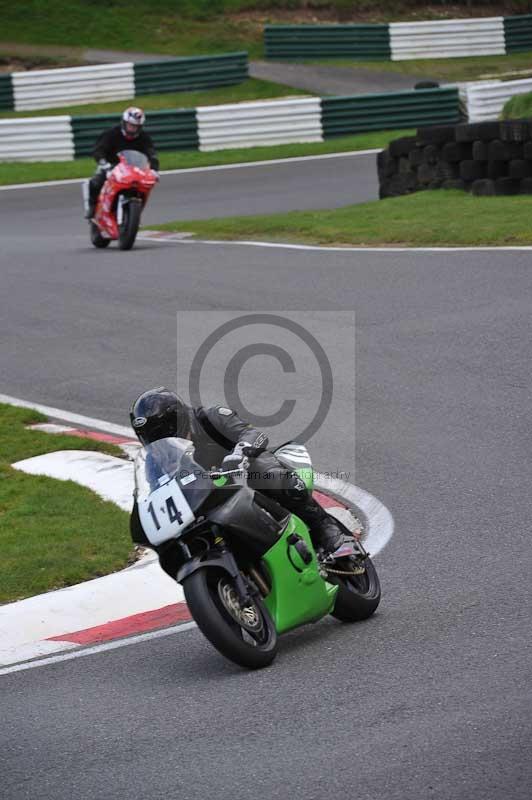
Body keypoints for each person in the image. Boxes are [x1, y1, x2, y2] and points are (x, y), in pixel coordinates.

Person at [129, 388, 345, 569]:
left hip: (245, 473)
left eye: (161, 431)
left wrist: (240, 452)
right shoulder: (155, 460)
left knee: (268, 475)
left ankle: (324, 527)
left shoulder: (210, 418)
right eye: (149, 435)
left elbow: (253, 434)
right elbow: (158, 492)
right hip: (211, 499)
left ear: (178, 419)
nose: (157, 439)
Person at [85, 106, 160, 219]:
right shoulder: (111, 133)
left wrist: (154, 169)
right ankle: (93, 206)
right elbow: (99, 150)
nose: (132, 129)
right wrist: (104, 163)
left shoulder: (144, 137)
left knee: (146, 185)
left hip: (134, 168)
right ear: (124, 123)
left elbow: (152, 153)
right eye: (130, 125)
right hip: (111, 166)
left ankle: (135, 212)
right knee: (95, 182)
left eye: (135, 127)